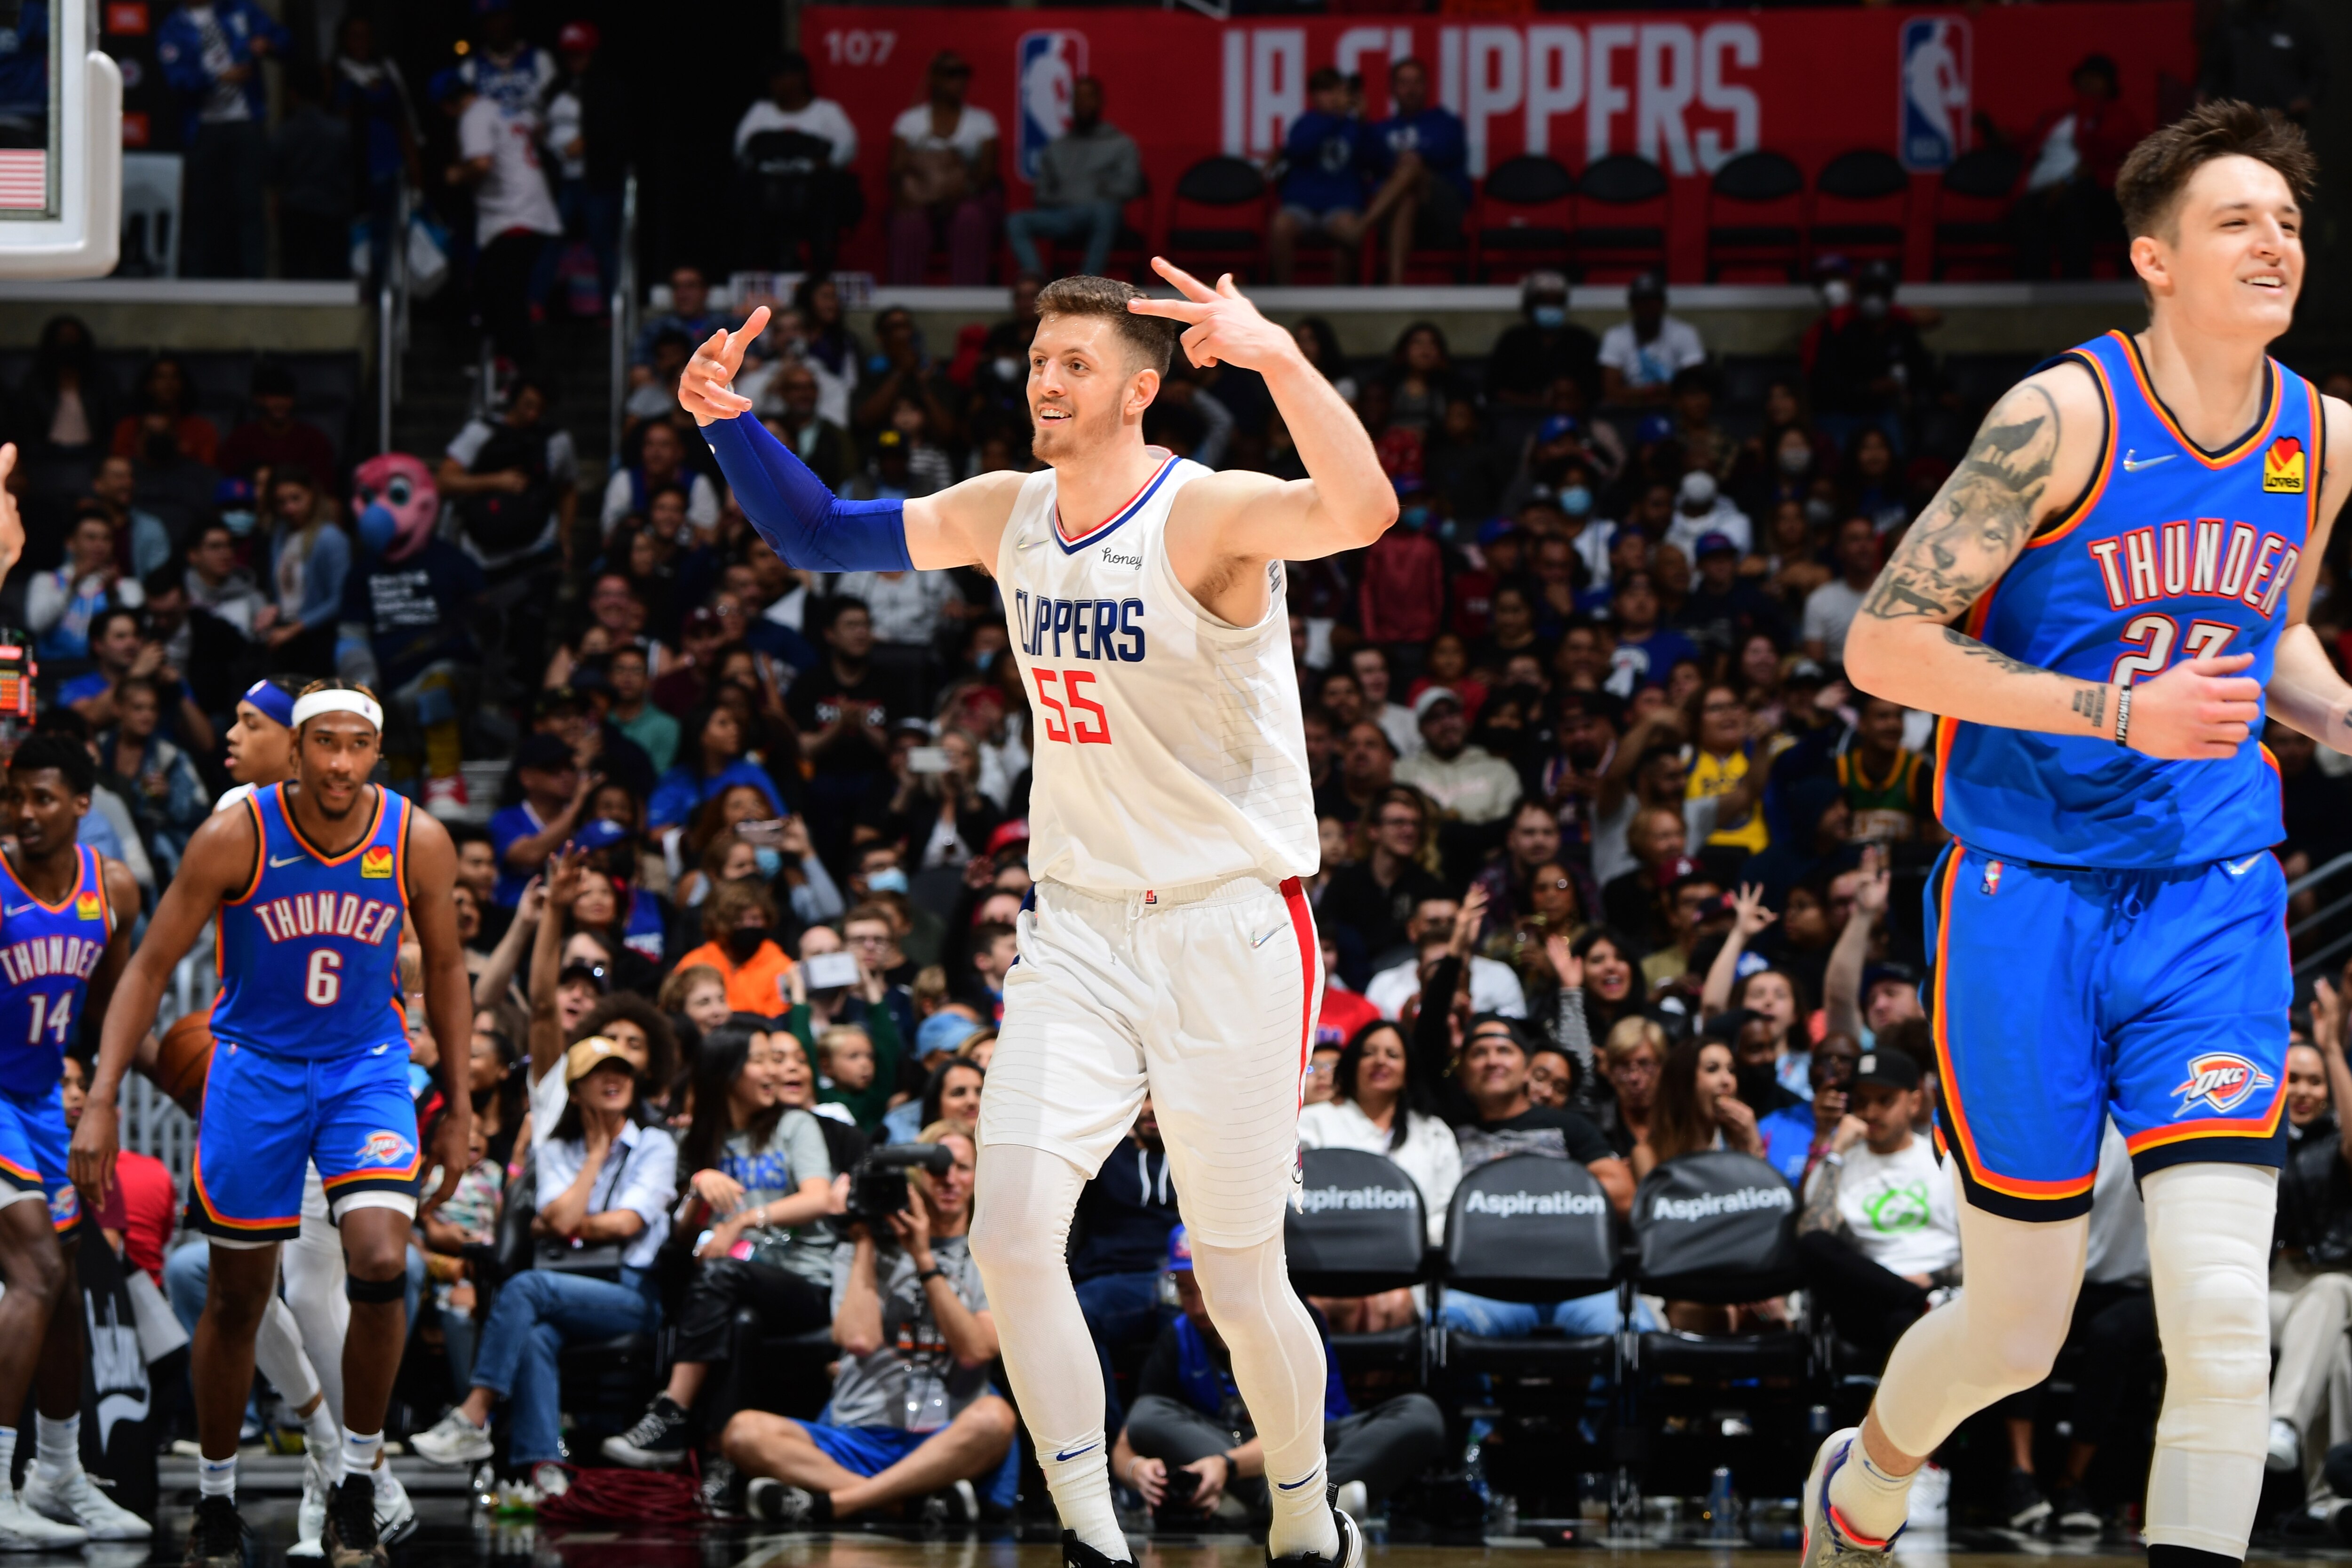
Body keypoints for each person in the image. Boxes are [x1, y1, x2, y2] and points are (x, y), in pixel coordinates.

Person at [684, 257, 1394, 1568]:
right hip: (1075, 928)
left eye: (1072, 364)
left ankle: (1306, 1511)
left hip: (1233, 922)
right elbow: (825, 531)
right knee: (1011, 1236)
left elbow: (1364, 507)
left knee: (1238, 1278)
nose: (1043, 382)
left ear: (1140, 388)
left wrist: (1277, 354)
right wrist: (730, 421)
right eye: (1034, 361)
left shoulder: (1209, 511)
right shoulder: (1007, 508)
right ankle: (1090, 1535)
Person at [1800, 102, 2343, 1568]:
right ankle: (1860, 1480)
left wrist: (2339, 714)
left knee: (2224, 1316)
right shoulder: (2061, 418)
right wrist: (2116, 709)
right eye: (2238, 220)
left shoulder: (2320, 438)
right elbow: (1881, 645)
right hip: (2023, 894)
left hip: (2211, 894)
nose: (2272, 241)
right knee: (2014, 1328)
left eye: (2286, 221)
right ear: (2153, 259)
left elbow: (2267, 636)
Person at [75, 681, 472, 1568]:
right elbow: (145, 968)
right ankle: (217, 1500)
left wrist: (461, 1104)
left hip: (366, 1069)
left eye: (356, 745)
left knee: (377, 1259)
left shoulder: (417, 836)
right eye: (322, 742)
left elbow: (446, 966)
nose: (339, 761)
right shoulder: (237, 832)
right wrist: (102, 1094)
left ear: (377, 752)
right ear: (295, 750)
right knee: (238, 1295)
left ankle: (358, 1485)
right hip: (253, 1069)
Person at [408, 1037, 678, 1492]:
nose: (614, 1080)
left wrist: (566, 1223)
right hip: (565, 1287)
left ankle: (475, 1414)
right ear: (574, 1089)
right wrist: (594, 1158)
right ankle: (544, 1470)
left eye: (622, 1071)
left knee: (527, 1288)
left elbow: (623, 1223)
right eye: (598, 1073)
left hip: (630, 1293)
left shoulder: (655, 1145)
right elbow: (563, 1219)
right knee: (534, 1332)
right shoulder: (555, 1149)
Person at [723, 1122, 1017, 1524]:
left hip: (940, 1440)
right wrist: (864, 1238)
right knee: (743, 1432)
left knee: (996, 1419)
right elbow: (859, 1339)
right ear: (913, 1180)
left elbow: (976, 1351)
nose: (949, 1179)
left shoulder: (990, 1257)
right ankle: (903, 1505)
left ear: (979, 1177)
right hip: (857, 1434)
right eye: (936, 1170)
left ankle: (837, 1503)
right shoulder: (858, 1248)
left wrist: (925, 1261)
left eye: (963, 1168)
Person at [0, 736, 145, 1546]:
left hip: (40, 1099)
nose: (24, 813)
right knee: (35, 1268)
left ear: (83, 804)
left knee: (61, 1280)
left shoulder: (110, 887)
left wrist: (109, 1094)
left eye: (43, 797)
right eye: (14, 796)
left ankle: (58, 1471)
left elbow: (115, 1008)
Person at [1112, 1225, 1446, 1526]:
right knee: (1146, 1413)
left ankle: (1278, 1503)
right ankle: (1300, 1508)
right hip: (1230, 1443)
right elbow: (1127, 1440)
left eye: (1205, 1288)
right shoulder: (1179, 1335)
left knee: (1422, 1415)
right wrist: (1137, 1471)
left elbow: (1300, 1436)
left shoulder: (1291, 1320)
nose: (1198, 1307)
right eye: (1186, 1292)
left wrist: (1225, 1465)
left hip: (1312, 1444)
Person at [1794, 1048, 1959, 1363]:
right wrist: (1837, 1148)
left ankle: (1921, 1303)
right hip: (1872, 1298)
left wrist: (1936, 1277)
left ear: (1913, 1102)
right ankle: (1917, 1301)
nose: (1870, 1112)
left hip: (1944, 1291)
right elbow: (1813, 1236)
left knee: (1904, 1323)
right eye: (1861, 1101)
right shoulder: (1839, 1164)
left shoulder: (1945, 1162)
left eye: (1884, 1100)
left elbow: (1976, 1248)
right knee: (1813, 1244)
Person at [437, 67, 562, 367]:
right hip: (531, 210)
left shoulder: (474, 116)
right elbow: (539, 130)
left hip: (513, 215)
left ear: (447, 105)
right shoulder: (502, 109)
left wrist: (454, 175)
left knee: (502, 295)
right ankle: (508, 360)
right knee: (492, 288)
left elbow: (481, 164)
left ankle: (520, 366)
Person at [159, 0, 286, 278]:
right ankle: (198, 277)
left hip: (244, 121)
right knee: (203, 207)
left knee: (250, 203)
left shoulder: (239, 10)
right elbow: (178, 80)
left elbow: (285, 42)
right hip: (204, 126)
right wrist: (218, 77)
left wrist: (267, 44)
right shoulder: (173, 27)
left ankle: (254, 278)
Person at [1008, 77, 1140, 282]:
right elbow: (1041, 194)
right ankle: (1037, 282)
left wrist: (1099, 188)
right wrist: (1065, 197)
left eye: (1089, 97)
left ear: (1101, 102)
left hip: (1101, 213)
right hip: (1063, 215)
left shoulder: (1122, 144)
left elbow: (1130, 186)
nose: (1083, 103)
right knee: (1016, 221)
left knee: (1106, 212)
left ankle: (1087, 283)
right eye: (1078, 98)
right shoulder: (1056, 147)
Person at [888, 51, 1000, 287]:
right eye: (951, 74)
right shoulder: (910, 121)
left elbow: (987, 172)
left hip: (965, 195)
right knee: (909, 221)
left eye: (963, 74)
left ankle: (969, 294)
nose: (959, 81)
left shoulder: (982, 121)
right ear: (934, 79)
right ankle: (905, 296)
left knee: (969, 218)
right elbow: (897, 168)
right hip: (921, 195)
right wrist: (917, 194)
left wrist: (958, 192)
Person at [1361, 58, 1468, 288]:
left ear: (1428, 87)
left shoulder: (1447, 123)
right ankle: (1396, 288)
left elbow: (1445, 153)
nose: (1411, 89)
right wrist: (1360, 122)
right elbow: (1365, 160)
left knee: (1411, 168)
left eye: (1417, 82)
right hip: (1395, 215)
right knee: (1405, 198)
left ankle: (1362, 226)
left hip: (1441, 213)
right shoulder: (1380, 129)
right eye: (1404, 83)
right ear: (1392, 90)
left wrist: (1407, 160)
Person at [1268, 69, 1367, 286]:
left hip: (1339, 207)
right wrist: (1335, 119)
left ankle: (1342, 298)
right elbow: (1299, 150)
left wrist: (1363, 123)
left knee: (1349, 229)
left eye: (1336, 90)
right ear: (1313, 96)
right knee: (1281, 225)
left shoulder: (1355, 127)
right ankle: (1283, 294)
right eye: (1325, 91)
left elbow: (1374, 161)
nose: (1332, 97)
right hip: (1302, 207)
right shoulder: (1305, 123)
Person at [1598, 273, 1705, 409]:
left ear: (1663, 303)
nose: (1647, 308)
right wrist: (1656, 391)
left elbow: (1692, 390)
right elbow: (1612, 393)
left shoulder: (1685, 334)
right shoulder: (1615, 336)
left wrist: (1635, 394)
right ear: (1632, 305)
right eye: (1641, 302)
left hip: (1675, 412)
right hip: (1630, 413)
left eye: (1652, 301)